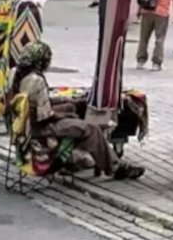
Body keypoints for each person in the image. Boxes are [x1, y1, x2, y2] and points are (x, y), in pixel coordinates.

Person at [10, 41, 143, 180]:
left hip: (21, 124)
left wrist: (66, 105)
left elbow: (33, 103)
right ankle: (115, 167)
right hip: (38, 129)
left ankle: (78, 158)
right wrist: (65, 115)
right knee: (90, 128)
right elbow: (44, 116)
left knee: (72, 106)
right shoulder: (36, 80)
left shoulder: (15, 73)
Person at [135, 0, 173, 71]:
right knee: (160, 39)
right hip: (162, 13)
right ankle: (156, 63)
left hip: (147, 11)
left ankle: (140, 61)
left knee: (143, 37)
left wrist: (139, 10)